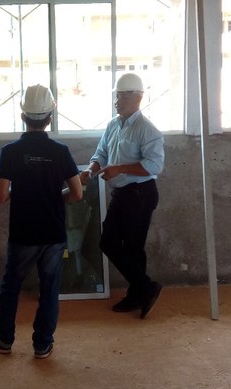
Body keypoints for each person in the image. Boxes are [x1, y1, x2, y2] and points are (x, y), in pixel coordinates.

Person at [0, 84, 83, 359]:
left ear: (23, 116)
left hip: (23, 232)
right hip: (53, 233)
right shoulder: (61, 151)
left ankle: (4, 339)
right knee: (49, 289)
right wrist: (53, 196)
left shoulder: (10, 151)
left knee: (11, 286)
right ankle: (42, 344)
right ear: (50, 118)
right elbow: (77, 193)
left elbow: (1, 196)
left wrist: (24, 192)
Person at [80, 73, 165, 319]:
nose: (118, 101)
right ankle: (144, 289)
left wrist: (119, 168)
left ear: (138, 97)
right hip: (123, 193)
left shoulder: (148, 130)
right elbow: (101, 153)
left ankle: (139, 293)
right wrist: (91, 168)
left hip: (140, 193)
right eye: (116, 96)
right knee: (109, 242)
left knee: (133, 247)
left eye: (123, 96)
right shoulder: (113, 125)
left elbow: (154, 166)